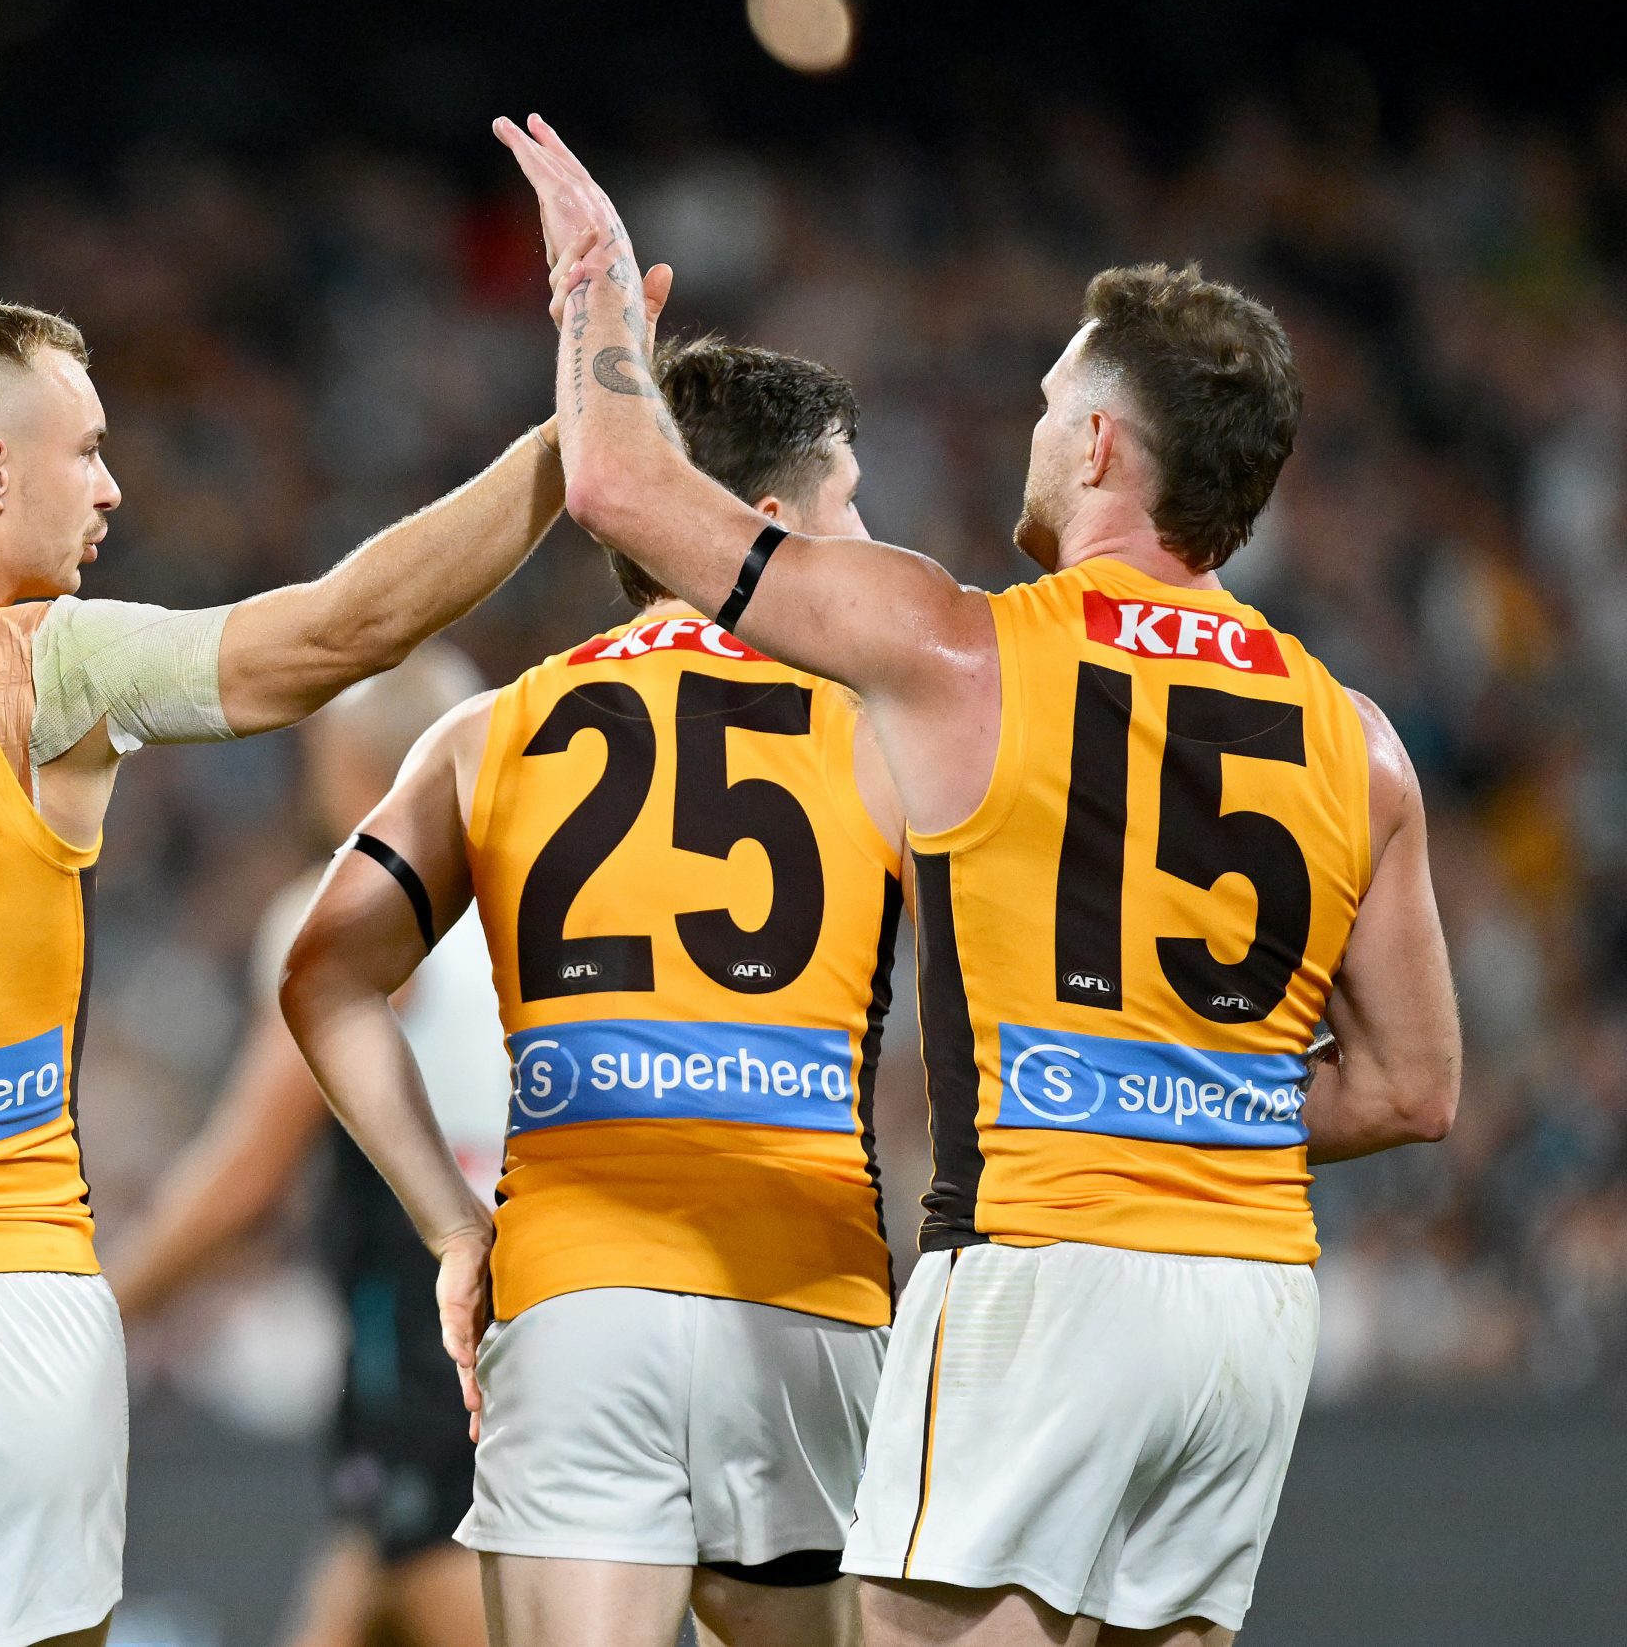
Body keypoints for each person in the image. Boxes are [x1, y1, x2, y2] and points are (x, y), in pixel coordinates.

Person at [495, 114, 1461, 1647]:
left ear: (1097, 447)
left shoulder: (968, 650)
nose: (1029, 425)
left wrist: (597, 288)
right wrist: (1188, 1099)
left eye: (1048, 399)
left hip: (1040, 1271)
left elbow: (622, 490)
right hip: (1250, 1312)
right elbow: (1413, 1088)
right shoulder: (1363, 738)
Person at [0, 284, 658, 1647]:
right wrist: (568, 438)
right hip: (12, 1303)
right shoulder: (45, 665)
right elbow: (340, 629)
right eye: (87, 449)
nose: (113, 486)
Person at [282, 338, 902, 1647]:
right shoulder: (886, 731)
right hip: (805, 1286)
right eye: (849, 503)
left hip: (572, 1301)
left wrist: (455, 1228)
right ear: (772, 527)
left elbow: (323, 974)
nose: (868, 537)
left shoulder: (486, 730)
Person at [107, 648, 508, 1647]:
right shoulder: (541, 908)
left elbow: (245, 1178)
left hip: (432, 1350)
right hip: (542, 1315)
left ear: (347, 767)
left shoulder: (353, 911)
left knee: (421, 1590)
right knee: (357, 1598)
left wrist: (92, 1314)